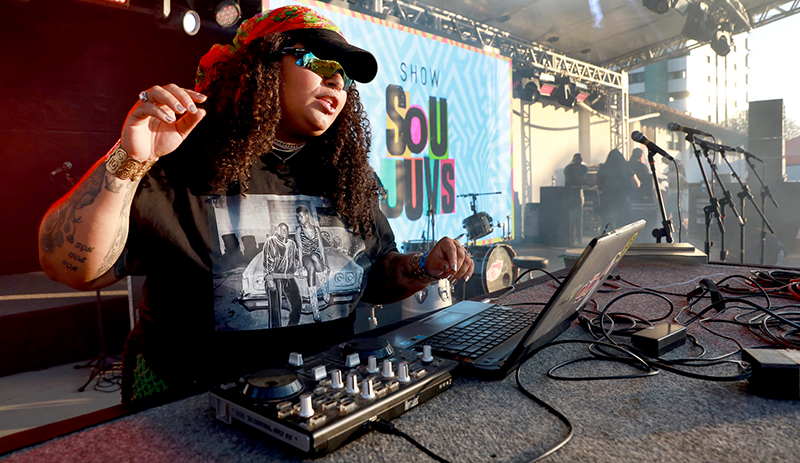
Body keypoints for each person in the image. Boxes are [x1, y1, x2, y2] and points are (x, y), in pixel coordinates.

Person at [37, 5, 474, 404]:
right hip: (190, 404)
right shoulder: (181, 158)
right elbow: (71, 268)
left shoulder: (348, 178)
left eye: (344, 74)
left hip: (323, 397)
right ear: (261, 65)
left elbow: (373, 279)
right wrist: (130, 160)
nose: (337, 81)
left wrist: (425, 267)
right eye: (319, 62)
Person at [262, 223, 301, 328]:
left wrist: (297, 267)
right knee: (275, 309)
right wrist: (269, 279)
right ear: (277, 230)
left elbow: (296, 258)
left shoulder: (292, 243)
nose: (285, 232)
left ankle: (292, 325)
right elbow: (267, 260)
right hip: (275, 277)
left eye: (286, 229)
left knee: (297, 303)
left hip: (289, 277)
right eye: (282, 229)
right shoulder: (271, 241)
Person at [596, 149, 640, 229]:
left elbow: (599, 185)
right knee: (622, 224)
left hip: (606, 200)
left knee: (606, 223)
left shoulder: (603, 169)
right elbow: (636, 184)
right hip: (621, 200)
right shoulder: (625, 170)